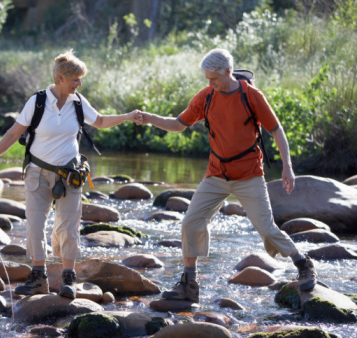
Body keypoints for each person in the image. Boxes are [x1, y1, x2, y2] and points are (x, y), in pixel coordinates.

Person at [135, 48, 317, 303]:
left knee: (266, 228)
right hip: (217, 174)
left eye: (214, 78)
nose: (210, 84)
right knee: (191, 221)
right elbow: (178, 124)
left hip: (249, 175)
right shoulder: (207, 96)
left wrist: (287, 166)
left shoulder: (251, 96)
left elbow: (277, 130)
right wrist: (150, 118)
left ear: (228, 71)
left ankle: (303, 263)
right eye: (207, 79)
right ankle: (189, 283)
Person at [0, 49, 138, 299]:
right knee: (35, 226)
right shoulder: (38, 102)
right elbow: (12, 134)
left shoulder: (78, 102)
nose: (79, 83)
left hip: (70, 175)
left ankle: (68, 279)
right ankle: (38, 277)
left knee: (68, 227)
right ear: (61, 78)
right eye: (75, 79)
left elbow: (102, 121)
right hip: (37, 174)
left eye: (80, 78)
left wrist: (128, 117)